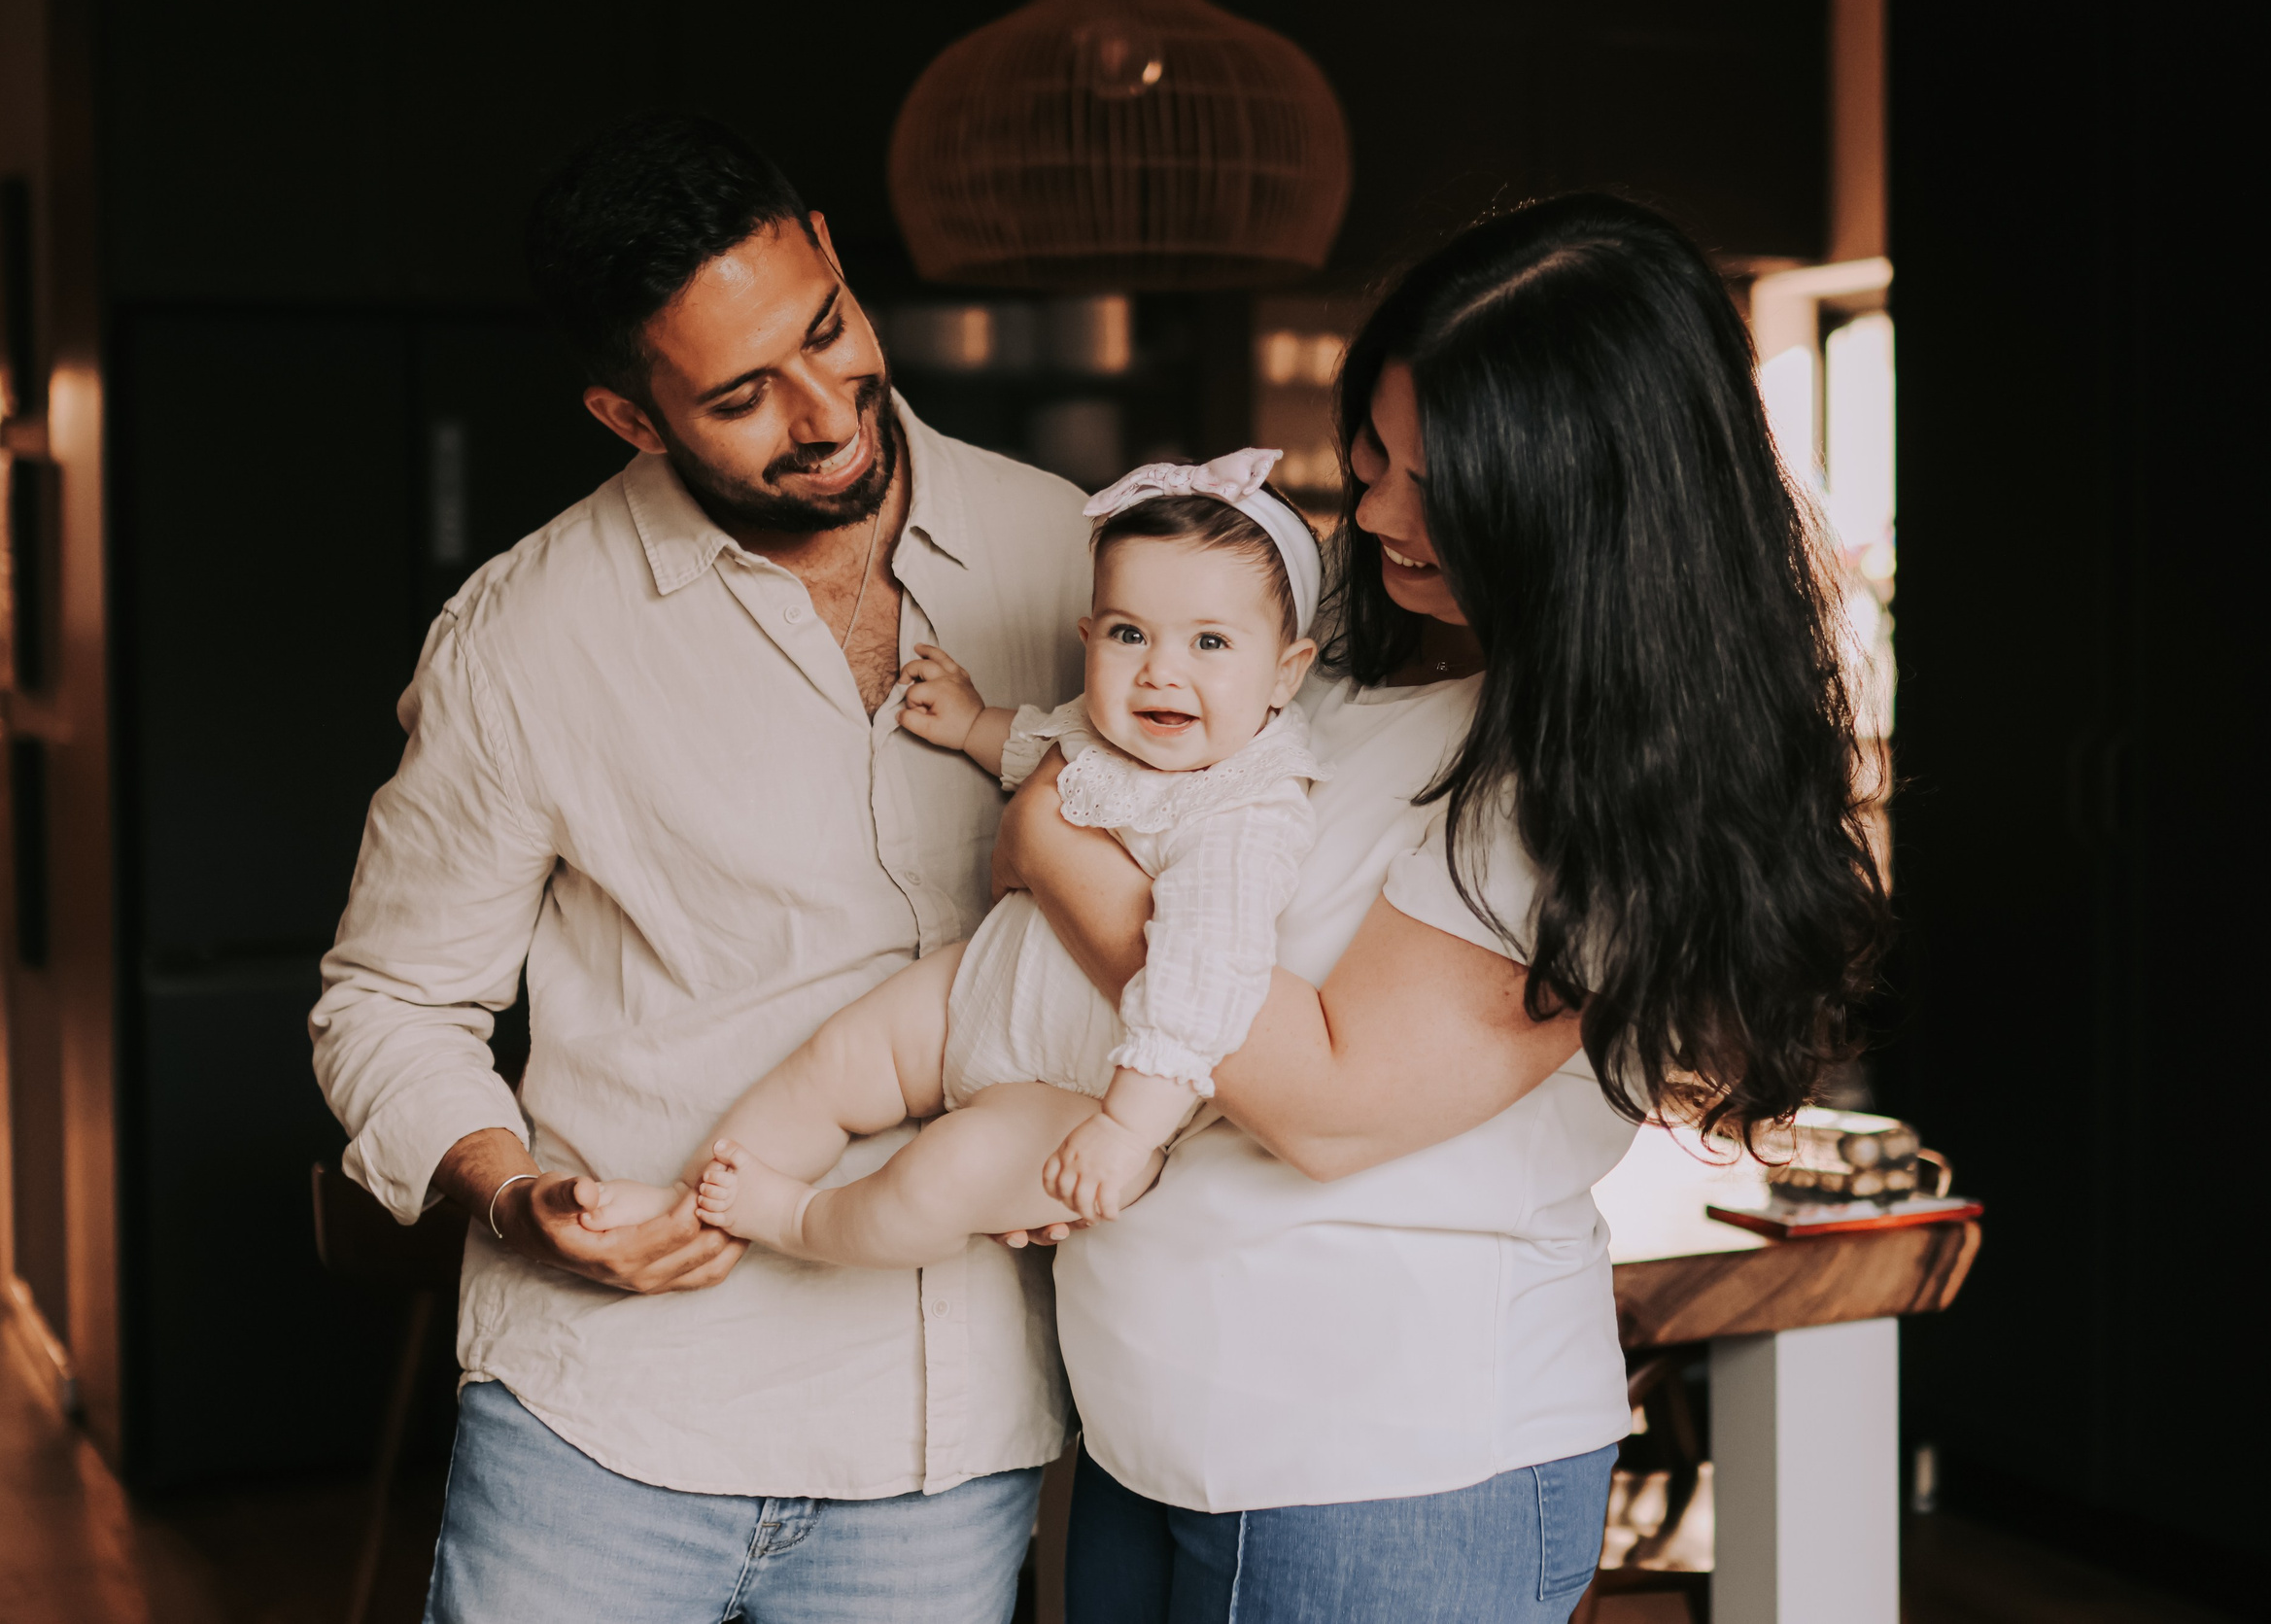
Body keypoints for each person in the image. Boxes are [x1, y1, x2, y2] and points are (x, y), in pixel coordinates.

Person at [994, 194, 1892, 1621]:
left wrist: (1060, 848)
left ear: (1577, 503)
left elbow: (1327, 1101)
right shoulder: (1345, 646)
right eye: (1374, 456)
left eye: (1439, 482)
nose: (1374, 512)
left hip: (1380, 1464)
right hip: (1146, 1417)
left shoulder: (1602, 779)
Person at [309, 114, 1094, 1622]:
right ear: (632, 415)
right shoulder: (526, 635)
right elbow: (390, 1002)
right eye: (742, 396)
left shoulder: (1071, 554)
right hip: (605, 1425)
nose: (825, 412)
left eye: (828, 330)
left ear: (836, 258)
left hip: (947, 1443)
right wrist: (512, 1194)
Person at [581, 448, 1326, 1257]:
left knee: (944, 1172)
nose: (1160, 672)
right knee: (837, 1056)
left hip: (1084, 1091)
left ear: (1285, 674)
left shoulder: (1247, 811)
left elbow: (1205, 979)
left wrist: (1126, 1126)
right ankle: (684, 1202)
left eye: (1209, 642)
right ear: (1088, 637)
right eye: (1128, 633)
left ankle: (800, 1220)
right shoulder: (1109, 728)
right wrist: (974, 725)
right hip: (982, 991)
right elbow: (1048, 741)